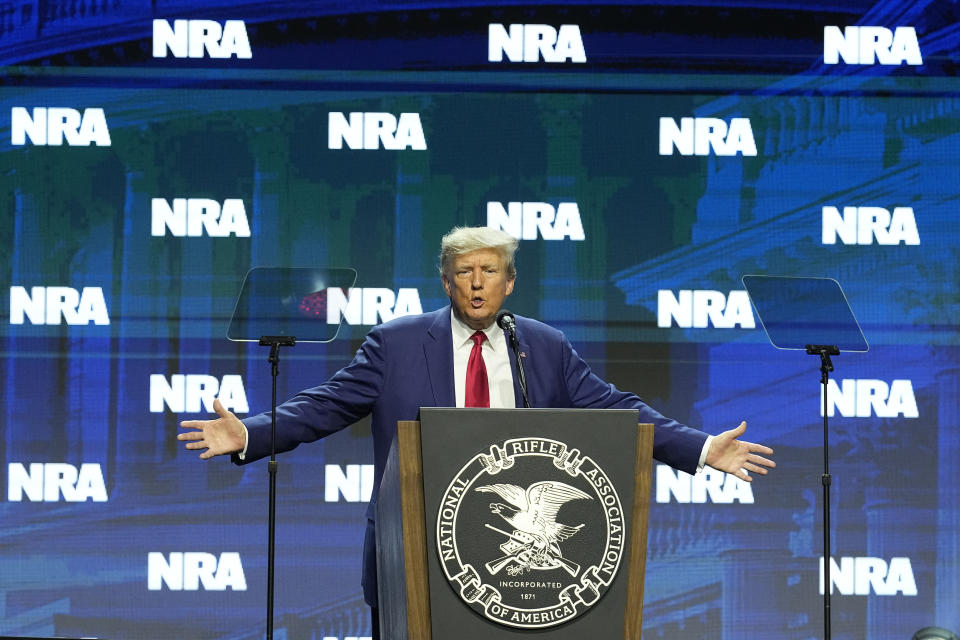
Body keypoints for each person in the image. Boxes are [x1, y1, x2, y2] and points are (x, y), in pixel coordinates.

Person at [178, 226, 775, 638]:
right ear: (446, 282)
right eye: (464, 272)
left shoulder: (542, 347)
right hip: (412, 557)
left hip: (522, 582)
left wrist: (698, 448)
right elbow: (326, 405)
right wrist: (253, 435)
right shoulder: (397, 343)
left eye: (490, 270)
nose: (477, 282)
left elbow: (615, 408)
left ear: (509, 283)